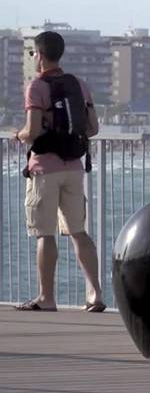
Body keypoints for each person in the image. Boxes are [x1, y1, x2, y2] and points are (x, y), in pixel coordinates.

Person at [12, 31, 105, 312]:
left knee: (45, 234)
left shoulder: (36, 87)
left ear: (39, 55)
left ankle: (46, 298)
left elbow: (33, 130)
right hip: (74, 167)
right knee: (79, 232)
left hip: (45, 168)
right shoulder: (79, 84)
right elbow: (93, 128)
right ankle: (95, 294)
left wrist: (17, 135)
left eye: (33, 54)